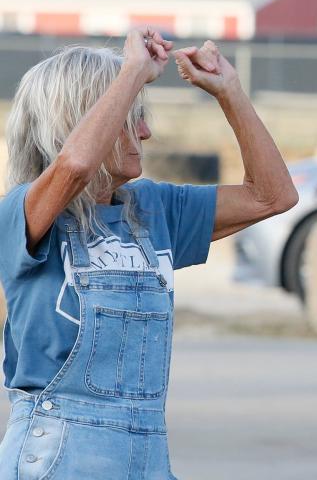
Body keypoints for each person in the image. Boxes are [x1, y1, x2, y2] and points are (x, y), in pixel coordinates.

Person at [0, 29, 298, 479]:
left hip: (147, 453)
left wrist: (230, 92)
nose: (146, 131)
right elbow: (76, 166)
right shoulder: (23, 213)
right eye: (131, 115)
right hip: (58, 454)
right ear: (78, 120)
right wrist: (133, 71)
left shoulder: (155, 211)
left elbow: (273, 196)